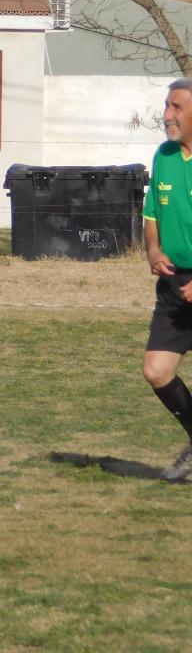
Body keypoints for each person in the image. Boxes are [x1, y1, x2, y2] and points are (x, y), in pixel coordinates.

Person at [142, 77, 192, 481]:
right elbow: (151, 214)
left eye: (176, 107)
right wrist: (153, 251)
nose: (167, 115)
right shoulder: (164, 154)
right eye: (167, 105)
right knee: (157, 370)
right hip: (175, 283)